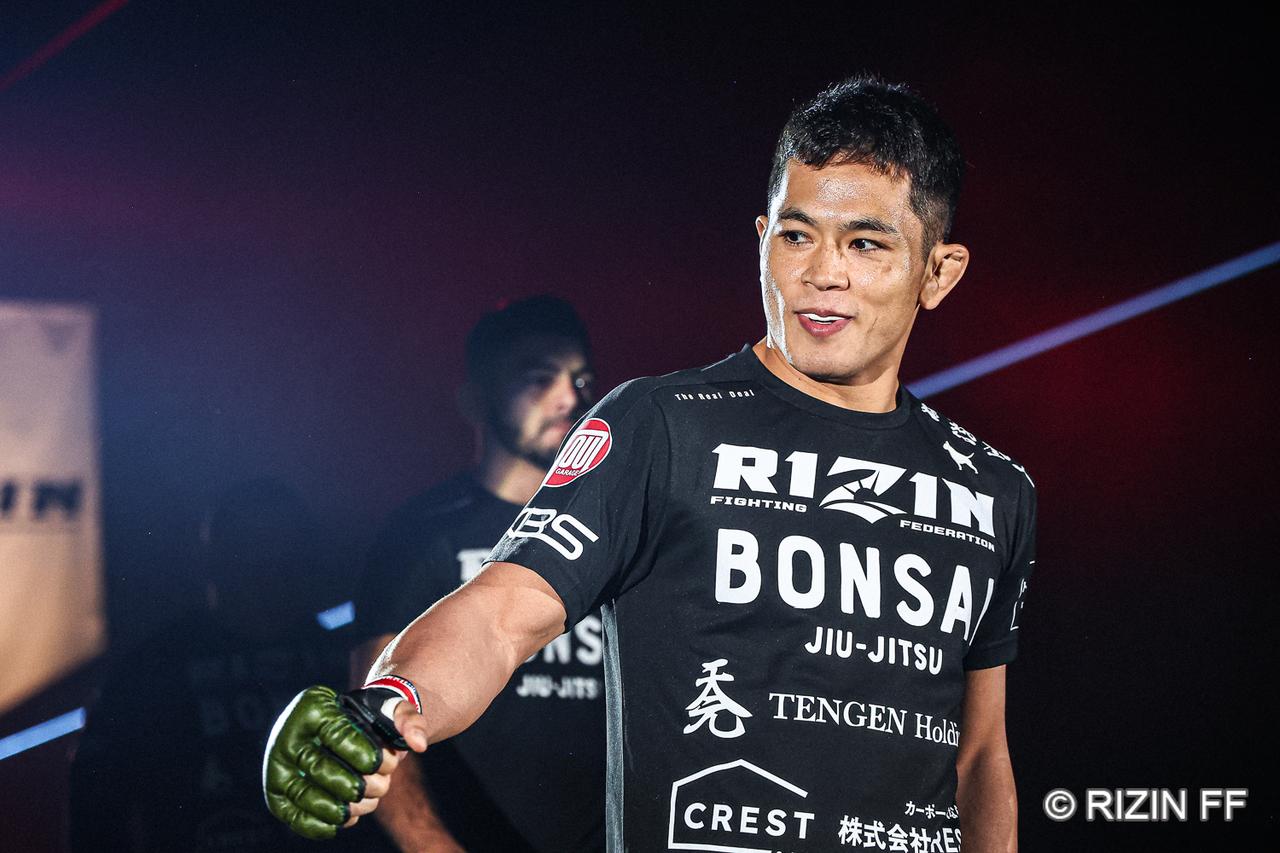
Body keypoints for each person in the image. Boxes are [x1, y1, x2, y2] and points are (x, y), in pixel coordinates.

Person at [264, 75, 1039, 853]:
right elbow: (501, 613)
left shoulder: (993, 490)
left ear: (938, 271)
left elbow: (979, 755)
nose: (822, 272)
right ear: (763, 238)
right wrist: (386, 707)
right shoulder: (662, 425)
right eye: (797, 236)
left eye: (866, 244)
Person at [349, 296, 605, 852]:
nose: (570, 398)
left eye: (581, 379)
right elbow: (376, 716)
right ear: (476, 399)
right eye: (539, 378)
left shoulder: (615, 526)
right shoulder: (419, 535)